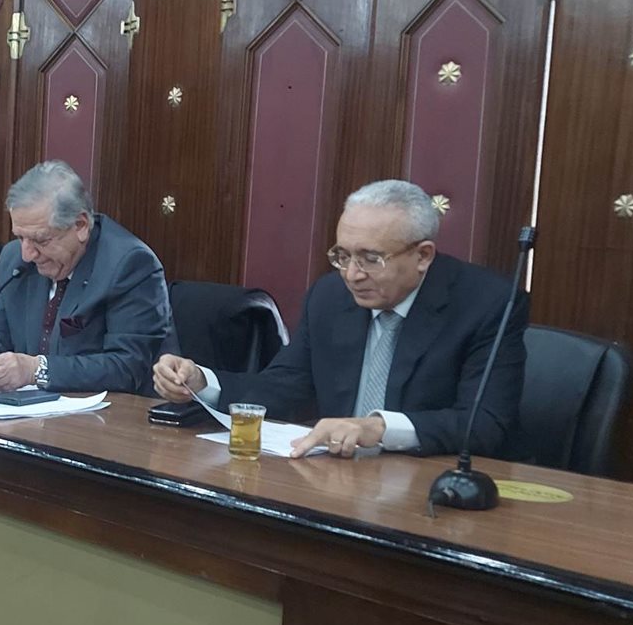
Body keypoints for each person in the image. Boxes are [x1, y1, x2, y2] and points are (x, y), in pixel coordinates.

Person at [152, 179, 526, 459]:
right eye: (343, 256)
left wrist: (379, 428)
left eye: (370, 259)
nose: (352, 274)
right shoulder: (330, 297)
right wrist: (203, 382)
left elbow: (484, 424)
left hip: (428, 488)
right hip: (338, 481)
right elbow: (284, 387)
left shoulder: (487, 304)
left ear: (423, 256)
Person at [0, 160, 172, 394]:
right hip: (29, 419)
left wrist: (36, 370)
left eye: (40, 240)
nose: (27, 254)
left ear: (80, 225)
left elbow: (128, 367)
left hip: (108, 423)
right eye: (20, 237)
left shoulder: (128, 264)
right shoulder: (15, 260)